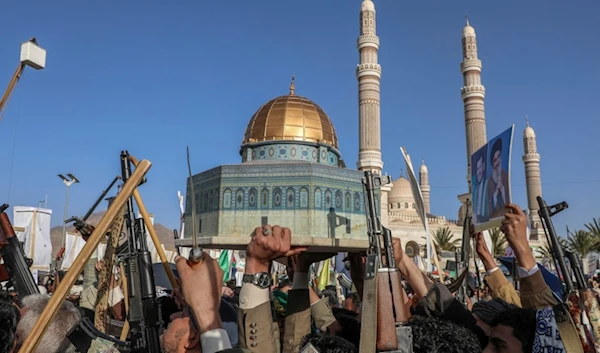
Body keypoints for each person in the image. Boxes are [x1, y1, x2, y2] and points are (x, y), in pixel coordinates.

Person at [487, 138, 509, 219]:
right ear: (492, 163)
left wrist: (503, 193)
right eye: (495, 160)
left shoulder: (505, 177)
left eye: (499, 156)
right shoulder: (488, 185)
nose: (498, 162)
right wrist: (494, 197)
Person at [472, 145, 489, 224]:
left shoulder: (488, 187)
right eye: (477, 168)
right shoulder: (475, 191)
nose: (478, 171)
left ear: (484, 167)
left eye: (480, 168)